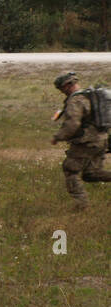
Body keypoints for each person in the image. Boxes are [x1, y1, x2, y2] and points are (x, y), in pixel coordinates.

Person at [51, 71, 111, 211]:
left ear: (67, 85)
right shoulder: (90, 95)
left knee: (70, 170)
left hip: (86, 142)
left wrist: (58, 136)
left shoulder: (76, 100)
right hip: (102, 140)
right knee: (91, 174)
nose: (61, 91)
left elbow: (73, 124)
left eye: (61, 88)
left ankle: (81, 205)